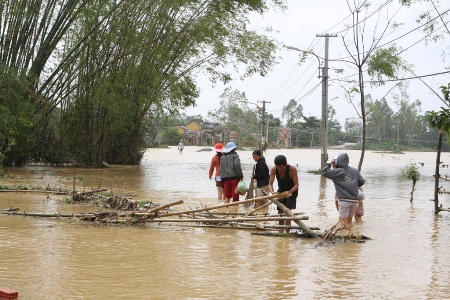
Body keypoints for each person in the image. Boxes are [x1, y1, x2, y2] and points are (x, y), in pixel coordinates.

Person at [322, 153, 366, 228]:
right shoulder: (354, 170)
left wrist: (329, 163)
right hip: (354, 201)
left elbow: (324, 172)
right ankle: (351, 236)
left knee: (343, 223)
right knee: (349, 222)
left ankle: (344, 237)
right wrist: (353, 184)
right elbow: (362, 181)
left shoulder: (337, 172)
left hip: (344, 201)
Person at [268, 155, 299, 230]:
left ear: (286, 164)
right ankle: (281, 230)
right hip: (281, 191)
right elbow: (270, 184)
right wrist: (272, 192)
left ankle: (288, 230)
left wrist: (289, 192)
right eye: (278, 167)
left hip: (292, 191)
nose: (279, 169)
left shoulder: (292, 169)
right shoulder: (274, 169)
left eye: (281, 167)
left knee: (287, 211)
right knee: (280, 212)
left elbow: (296, 185)